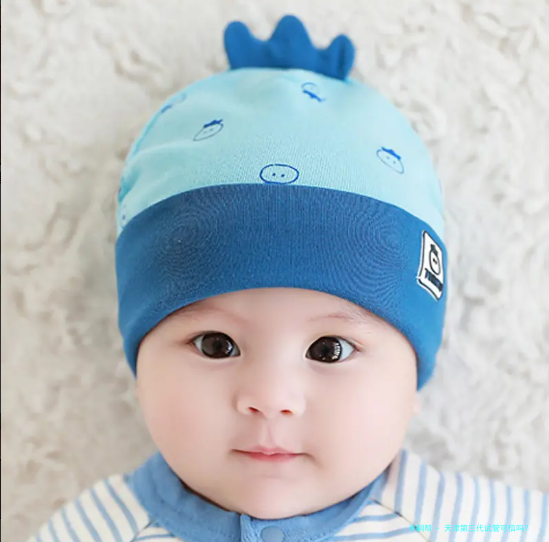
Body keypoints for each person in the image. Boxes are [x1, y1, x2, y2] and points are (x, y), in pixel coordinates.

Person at [27, 14, 547, 542]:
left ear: (412, 377)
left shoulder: (476, 525)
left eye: (330, 350)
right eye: (215, 345)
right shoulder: (89, 533)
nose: (270, 397)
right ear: (140, 368)